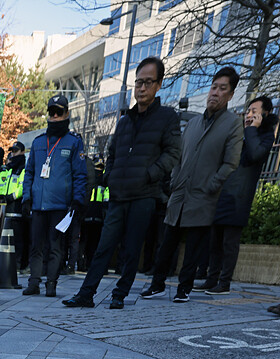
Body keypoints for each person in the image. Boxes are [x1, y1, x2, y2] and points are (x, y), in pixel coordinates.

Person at [62, 57, 181, 310]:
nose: (142, 88)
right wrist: (110, 177)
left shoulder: (167, 117)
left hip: (144, 194)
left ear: (159, 84)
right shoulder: (125, 120)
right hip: (118, 194)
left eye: (148, 82)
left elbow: (172, 154)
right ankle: (86, 294)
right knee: (104, 246)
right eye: (138, 82)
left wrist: (150, 174)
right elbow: (112, 153)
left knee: (131, 248)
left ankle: (120, 294)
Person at [141, 66, 243, 304]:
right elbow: (179, 155)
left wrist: (212, 184)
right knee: (167, 244)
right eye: (214, 87)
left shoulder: (232, 124)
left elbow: (231, 163)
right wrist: (175, 180)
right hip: (180, 193)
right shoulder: (194, 123)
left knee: (194, 247)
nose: (215, 93)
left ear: (230, 95)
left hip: (204, 195)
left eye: (222, 89)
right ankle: (157, 284)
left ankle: (183, 289)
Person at [198, 95, 278, 294]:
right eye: (248, 111)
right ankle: (211, 279)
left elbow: (255, 155)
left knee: (229, 243)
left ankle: (224, 283)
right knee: (214, 240)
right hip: (222, 193)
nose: (248, 114)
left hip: (239, 197)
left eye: (254, 111)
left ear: (265, 114)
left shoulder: (266, 136)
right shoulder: (240, 134)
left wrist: (251, 129)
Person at [21, 94, 88, 297]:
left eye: (59, 112)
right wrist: (26, 197)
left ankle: (51, 283)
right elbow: (30, 172)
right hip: (38, 204)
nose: (56, 116)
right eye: (52, 112)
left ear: (67, 114)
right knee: (36, 246)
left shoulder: (73, 142)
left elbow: (80, 174)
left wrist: (78, 199)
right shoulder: (39, 142)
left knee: (55, 246)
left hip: (60, 205)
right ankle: (34, 282)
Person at [0, 141, 27, 269]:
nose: (13, 153)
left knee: (16, 239)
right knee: (2, 238)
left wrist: (11, 197)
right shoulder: (6, 169)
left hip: (16, 208)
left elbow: (22, 187)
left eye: (16, 151)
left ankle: (17, 265)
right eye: (12, 151)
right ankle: (1, 264)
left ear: (22, 152)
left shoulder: (23, 168)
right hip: (2, 208)